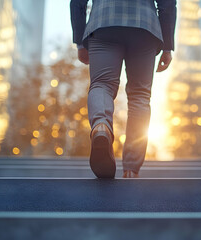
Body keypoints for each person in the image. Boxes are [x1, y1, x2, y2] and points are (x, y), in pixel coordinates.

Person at [70, 0, 177, 178]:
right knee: (140, 96)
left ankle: (101, 126)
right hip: (145, 27)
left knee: (101, 84)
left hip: (104, 23)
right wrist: (167, 45)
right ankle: (131, 169)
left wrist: (80, 41)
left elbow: (77, 2)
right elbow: (167, 3)